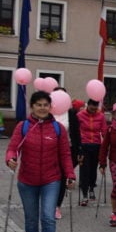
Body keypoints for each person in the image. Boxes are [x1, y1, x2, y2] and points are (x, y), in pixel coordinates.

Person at [5, 91, 76, 232]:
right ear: (32, 107)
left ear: (50, 107)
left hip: (51, 180)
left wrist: (70, 174)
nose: (42, 108)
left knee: (48, 218)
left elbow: (65, 155)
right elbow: (13, 148)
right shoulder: (23, 126)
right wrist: (11, 159)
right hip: (27, 181)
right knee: (31, 220)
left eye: (45, 105)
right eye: (38, 105)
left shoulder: (58, 129)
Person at [52, 87, 81, 220]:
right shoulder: (48, 112)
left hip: (67, 150)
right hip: (50, 150)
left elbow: (76, 132)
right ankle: (48, 203)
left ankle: (57, 206)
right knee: (51, 178)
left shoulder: (71, 113)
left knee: (63, 177)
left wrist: (79, 150)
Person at [76, 98, 107, 206]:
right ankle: (84, 194)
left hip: (96, 145)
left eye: (95, 109)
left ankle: (91, 188)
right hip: (83, 145)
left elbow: (104, 131)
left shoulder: (101, 116)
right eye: (91, 108)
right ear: (87, 105)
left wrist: (107, 143)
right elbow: (75, 130)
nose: (93, 110)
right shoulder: (79, 115)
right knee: (84, 170)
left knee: (93, 169)